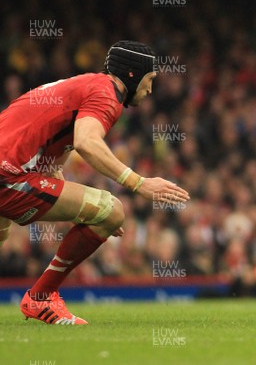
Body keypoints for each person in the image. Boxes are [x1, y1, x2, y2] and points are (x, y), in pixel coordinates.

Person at [0, 41, 190, 325]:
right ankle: (41, 297)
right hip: (8, 176)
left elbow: (51, 146)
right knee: (111, 209)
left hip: (8, 168)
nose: (151, 90)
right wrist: (138, 183)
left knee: (105, 212)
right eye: (149, 80)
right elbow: (86, 142)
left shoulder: (84, 85)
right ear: (131, 75)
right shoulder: (107, 93)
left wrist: (92, 213)